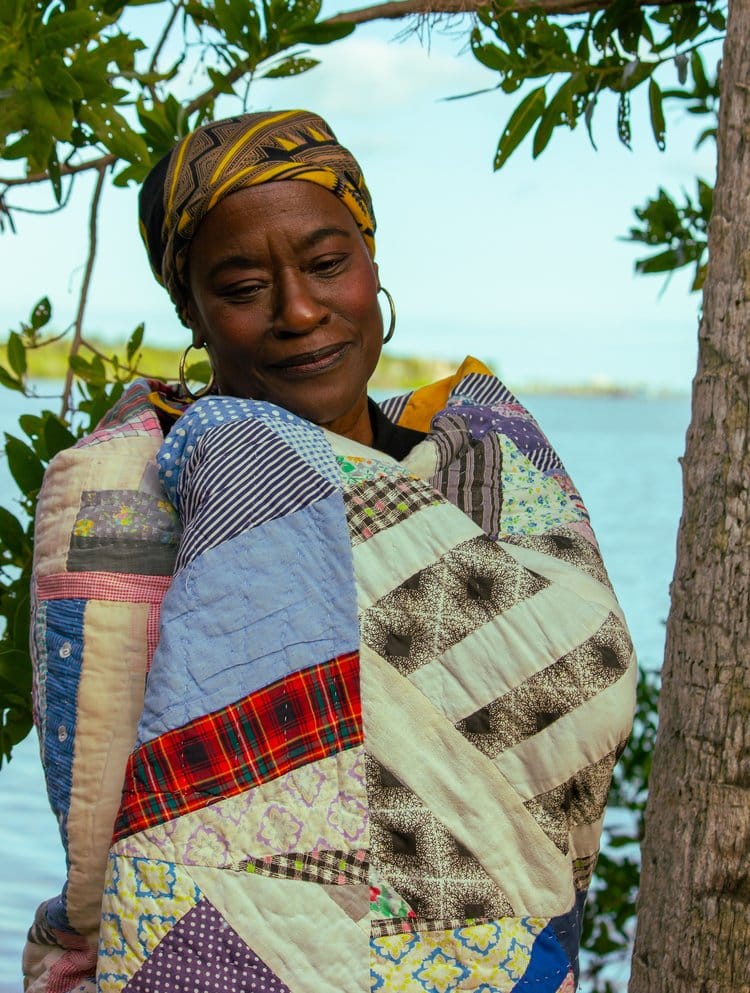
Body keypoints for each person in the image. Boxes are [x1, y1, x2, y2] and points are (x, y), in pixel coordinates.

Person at [24, 109, 635, 993]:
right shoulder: (123, 488)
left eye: (325, 264)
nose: (300, 310)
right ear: (190, 312)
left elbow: (588, 676)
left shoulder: (487, 464)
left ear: (371, 260)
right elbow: (94, 787)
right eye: (240, 287)